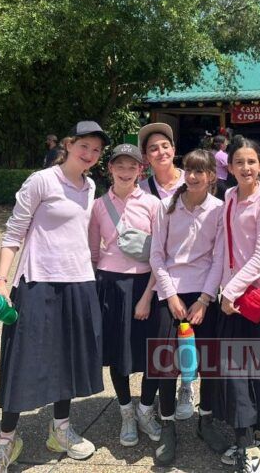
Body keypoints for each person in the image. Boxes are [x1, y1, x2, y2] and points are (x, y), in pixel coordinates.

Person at [0, 121, 108, 473]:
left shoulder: (90, 186)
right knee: (22, 362)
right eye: (84, 146)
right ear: (69, 145)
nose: (90, 154)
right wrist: (1, 282)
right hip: (38, 281)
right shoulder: (41, 181)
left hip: (79, 281)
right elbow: (14, 232)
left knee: (67, 358)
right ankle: (6, 441)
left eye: (96, 150)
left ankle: (61, 430)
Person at [149, 149, 229, 465]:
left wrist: (205, 299)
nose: (193, 176)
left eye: (200, 171)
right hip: (170, 291)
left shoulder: (219, 210)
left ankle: (205, 421)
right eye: (189, 170)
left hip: (204, 293)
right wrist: (170, 296)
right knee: (165, 363)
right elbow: (157, 255)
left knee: (209, 362)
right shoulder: (167, 206)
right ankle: (167, 425)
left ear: (212, 176)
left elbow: (219, 258)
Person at [89, 144, 162, 448]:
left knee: (153, 353)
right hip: (110, 286)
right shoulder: (98, 206)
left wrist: (147, 295)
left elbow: (160, 254)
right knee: (118, 354)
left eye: (132, 166)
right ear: (110, 168)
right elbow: (93, 253)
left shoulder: (153, 204)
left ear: (140, 170)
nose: (125, 171)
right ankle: (126, 412)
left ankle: (145, 408)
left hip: (146, 284)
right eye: (119, 165)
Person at [214, 136, 260, 473]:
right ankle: (246, 441)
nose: (245, 167)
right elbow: (224, 249)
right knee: (236, 372)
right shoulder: (228, 196)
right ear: (230, 166)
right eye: (239, 161)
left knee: (256, 372)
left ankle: (255, 438)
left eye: (251, 161)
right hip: (231, 298)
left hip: (254, 300)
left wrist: (232, 291)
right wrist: (217, 291)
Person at [136, 122, 195, 418]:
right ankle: (162, 402)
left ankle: (188, 385)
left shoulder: (192, 179)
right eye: (152, 149)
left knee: (192, 338)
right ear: (146, 157)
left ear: (174, 149)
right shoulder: (142, 189)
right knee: (165, 344)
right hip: (159, 275)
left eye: (165, 146)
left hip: (194, 273)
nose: (160, 152)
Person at [212, 134, 229, 199]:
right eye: (226, 143)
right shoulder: (222, 155)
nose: (226, 145)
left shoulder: (210, 153)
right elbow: (229, 168)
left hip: (212, 179)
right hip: (221, 180)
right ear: (221, 145)